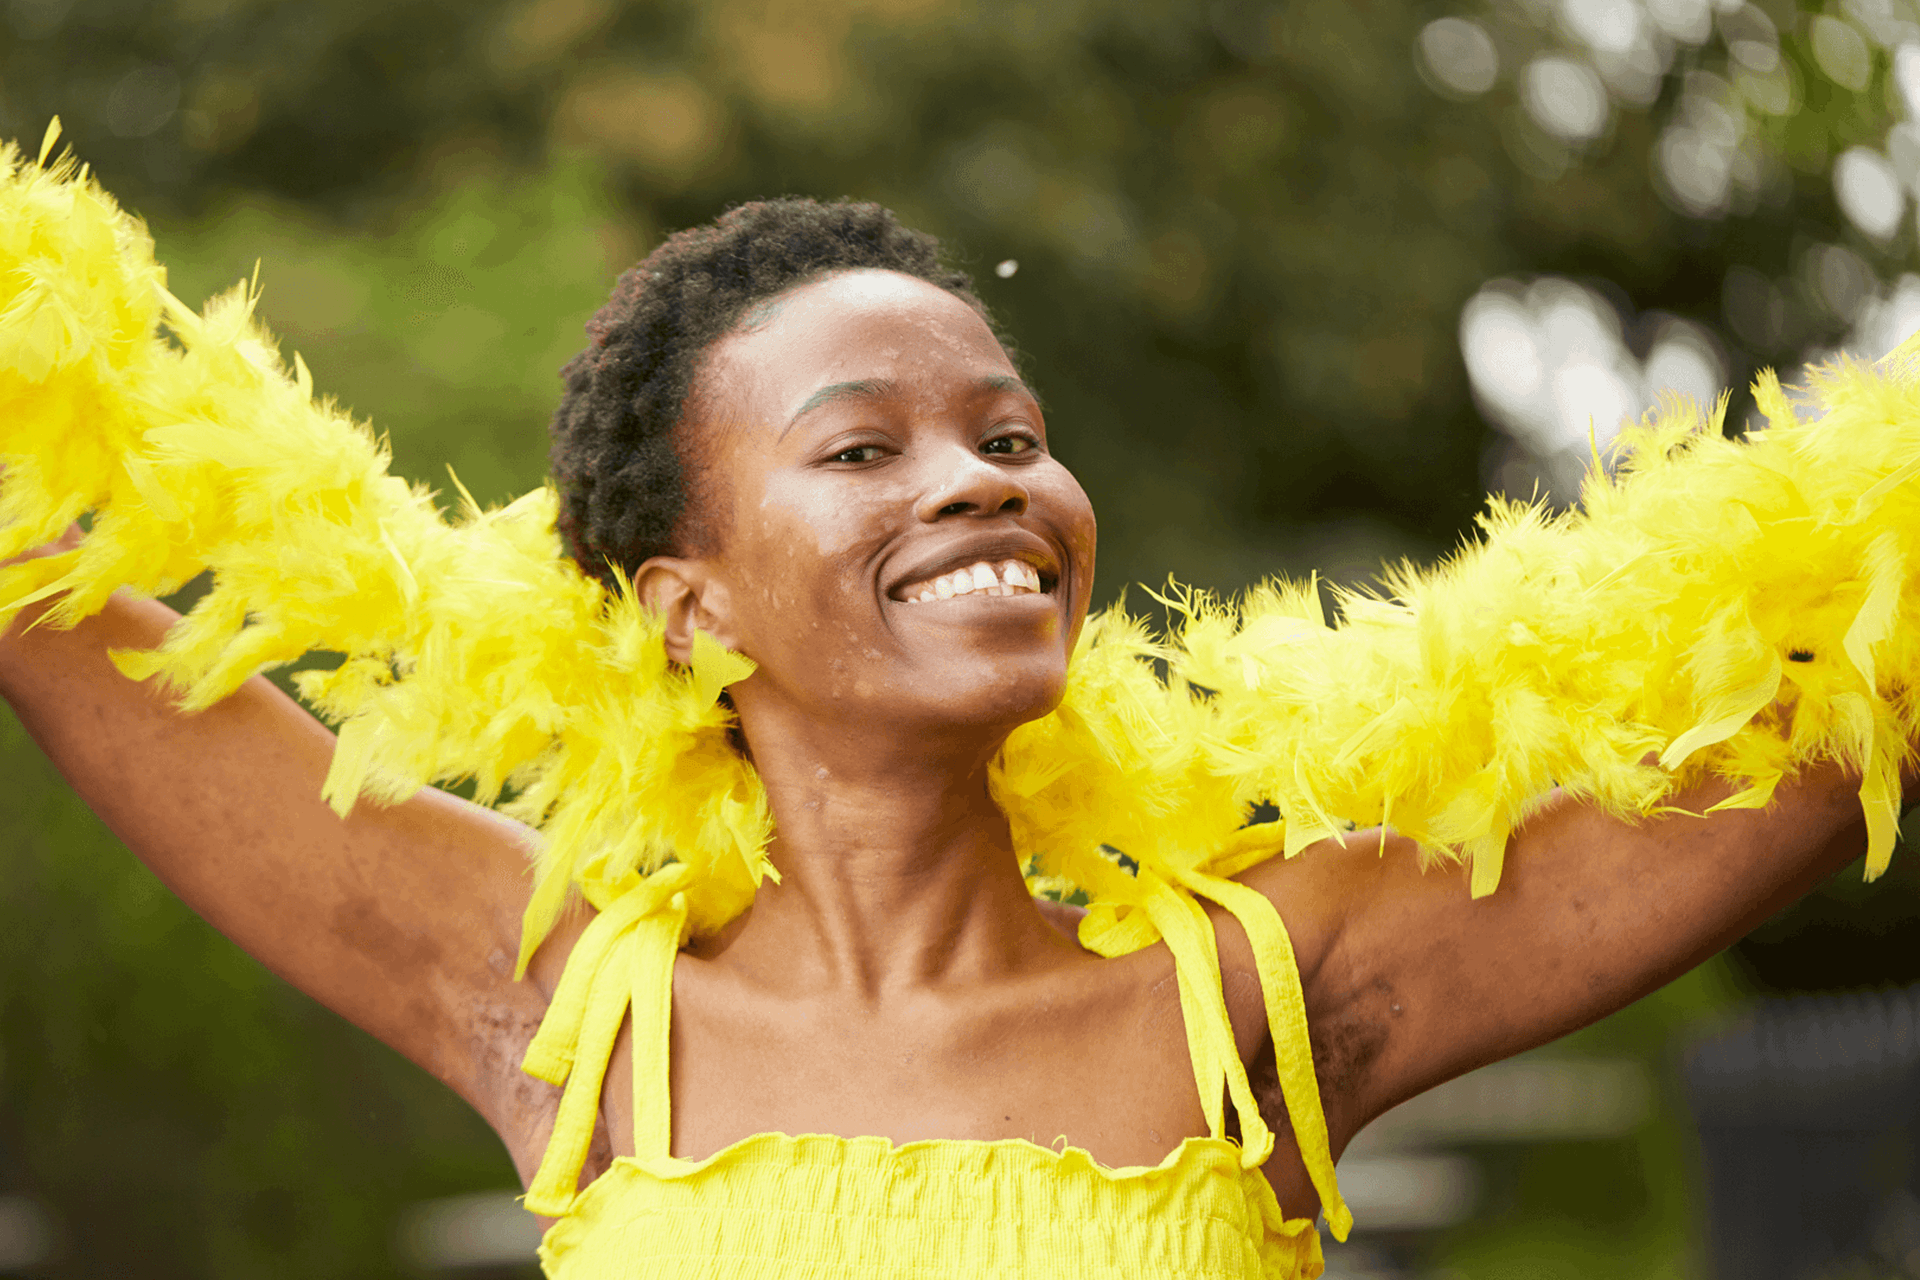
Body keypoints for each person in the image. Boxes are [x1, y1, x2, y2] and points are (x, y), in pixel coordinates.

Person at [2, 164, 1915, 1279]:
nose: (986, 481)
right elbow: (44, 604)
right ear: (691, 608)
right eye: (863, 447)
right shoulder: (566, 1009)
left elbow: (1857, 713)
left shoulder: (1256, 996)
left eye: (1011, 436)